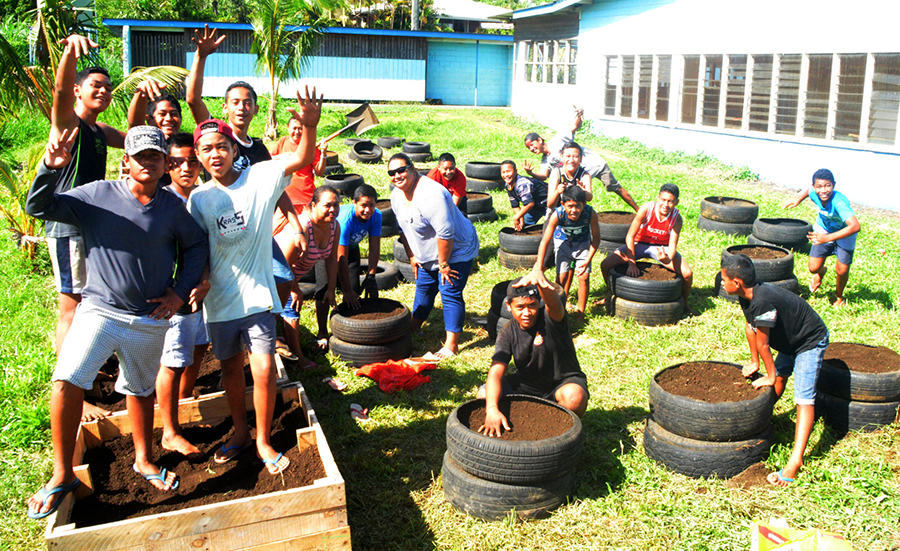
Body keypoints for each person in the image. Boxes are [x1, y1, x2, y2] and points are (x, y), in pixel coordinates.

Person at [25, 126, 209, 518]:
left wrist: (180, 291)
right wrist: (49, 167)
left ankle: (143, 459)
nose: (147, 162)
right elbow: (39, 207)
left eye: (154, 157)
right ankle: (61, 475)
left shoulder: (172, 207)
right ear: (125, 160)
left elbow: (196, 246)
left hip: (149, 318)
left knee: (140, 390)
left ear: (165, 164)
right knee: (67, 379)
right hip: (100, 311)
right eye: (139, 156)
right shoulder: (97, 196)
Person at [185, 86, 321, 476]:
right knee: (230, 370)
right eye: (207, 149)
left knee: (262, 370)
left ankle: (263, 440)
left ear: (233, 149)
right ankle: (241, 433)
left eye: (222, 147)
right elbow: (200, 249)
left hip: (259, 298)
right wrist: (203, 280)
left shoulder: (260, 177)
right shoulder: (200, 199)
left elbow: (300, 157)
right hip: (221, 304)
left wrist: (308, 125)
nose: (215, 154)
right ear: (198, 156)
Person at [46, 34, 130, 423]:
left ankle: (88, 373)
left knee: (87, 305)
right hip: (68, 228)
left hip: (90, 228)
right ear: (79, 91)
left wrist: (144, 97)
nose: (104, 91)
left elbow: (134, 138)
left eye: (108, 88)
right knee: (72, 307)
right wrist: (67, 54)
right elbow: (61, 89)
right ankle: (70, 395)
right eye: (95, 85)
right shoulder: (71, 122)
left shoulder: (99, 132)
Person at [720, 254, 829, 487]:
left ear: (736, 282)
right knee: (779, 377)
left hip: (809, 341)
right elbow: (751, 329)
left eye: (723, 279)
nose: (722, 283)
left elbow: (764, 344)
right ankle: (765, 417)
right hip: (789, 339)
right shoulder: (745, 296)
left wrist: (769, 376)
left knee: (803, 398)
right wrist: (755, 363)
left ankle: (796, 460)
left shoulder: (762, 301)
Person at [389, 153, 480, 358]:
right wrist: (413, 256)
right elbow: (403, 228)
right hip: (429, 250)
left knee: (449, 290)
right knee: (424, 286)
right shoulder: (397, 195)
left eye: (401, 170)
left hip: (456, 248)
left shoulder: (430, 194)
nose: (397, 175)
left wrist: (444, 264)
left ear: (412, 169)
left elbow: (446, 233)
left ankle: (451, 345)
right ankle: (414, 326)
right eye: (392, 173)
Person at [476, 273, 589, 437]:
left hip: (562, 381)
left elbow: (555, 304)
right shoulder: (507, 332)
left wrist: (540, 281)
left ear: (539, 304)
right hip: (528, 383)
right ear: (509, 306)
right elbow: (496, 372)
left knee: (574, 398)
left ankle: (566, 430)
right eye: (520, 307)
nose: (527, 313)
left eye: (532, 306)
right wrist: (492, 409)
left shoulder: (551, 318)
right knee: (484, 395)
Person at [155, 132, 211, 459]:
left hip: (200, 291)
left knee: (201, 345)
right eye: (177, 162)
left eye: (192, 161)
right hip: (177, 297)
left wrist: (204, 280)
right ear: (167, 166)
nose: (186, 168)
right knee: (173, 361)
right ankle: (170, 431)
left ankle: (185, 398)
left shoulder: (201, 198)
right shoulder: (164, 201)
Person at [600, 183, 697, 315]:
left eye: (670, 201)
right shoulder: (647, 209)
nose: (665, 204)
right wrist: (632, 263)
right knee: (606, 264)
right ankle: (610, 293)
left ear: (676, 202)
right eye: (663, 200)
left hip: (660, 249)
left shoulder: (676, 218)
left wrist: (667, 258)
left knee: (687, 274)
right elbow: (630, 237)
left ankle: (684, 303)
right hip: (639, 244)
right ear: (658, 198)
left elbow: (673, 245)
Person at [522, 107, 638, 211]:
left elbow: (574, 127)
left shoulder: (557, 141)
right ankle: (578, 219)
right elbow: (543, 176)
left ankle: (638, 210)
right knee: (575, 196)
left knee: (615, 188)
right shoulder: (545, 161)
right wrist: (531, 173)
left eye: (532, 144)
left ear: (540, 140)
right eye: (529, 148)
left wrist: (579, 115)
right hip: (579, 175)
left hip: (595, 164)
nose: (531, 149)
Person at [279, 185, 341, 366]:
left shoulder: (334, 226)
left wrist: (330, 289)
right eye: (327, 205)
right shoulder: (303, 228)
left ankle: (279, 339)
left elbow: (331, 259)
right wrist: (294, 289)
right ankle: (298, 358)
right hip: (273, 273)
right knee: (291, 309)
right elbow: (282, 264)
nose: (333, 210)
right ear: (313, 205)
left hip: (290, 275)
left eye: (336, 205)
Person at [783, 168, 860, 306]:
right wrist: (798, 198)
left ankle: (838, 295)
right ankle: (821, 272)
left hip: (845, 234)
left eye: (827, 186)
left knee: (842, 270)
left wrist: (828, 238)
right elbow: (808, 191)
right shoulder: (813, 192)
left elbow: (855, 226)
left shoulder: (839, 202)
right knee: (813, 268)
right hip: (823, 230)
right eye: (819, 186)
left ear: (834, 185)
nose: (823, 190)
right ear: (814, 187)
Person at [533, 185, 600, 323]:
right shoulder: (557, 214)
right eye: (570, 206)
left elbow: (596, 239)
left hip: (582, 244)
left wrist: (587, 260)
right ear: (563, 204)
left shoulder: (590, 213)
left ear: (584, 204)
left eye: (578, 206)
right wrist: (539, 267)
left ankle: (581, 314)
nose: (574, 210)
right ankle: (559, 310)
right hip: (563, 243)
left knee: (584, 277)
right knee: (561, 278)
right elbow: (544, 242)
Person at [334, 184, 382, 309]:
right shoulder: (345, 221)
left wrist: (371, 276)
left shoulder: (376, 216)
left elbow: (374, 248)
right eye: (363, 205)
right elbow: (341, 257)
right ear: (354, 203)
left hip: (352, 247)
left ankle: (351, 316)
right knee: (328, 289)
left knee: (354, 289)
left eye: (371, 205)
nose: (367, 210)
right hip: (330, 249)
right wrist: (346, 290)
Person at [270, 116, 327, 211]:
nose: (297, 132)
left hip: (305, 199)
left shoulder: (309, 145)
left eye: (300, 129)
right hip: (282, 197)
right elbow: (267, 160)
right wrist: (282, 157)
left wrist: (323, 153)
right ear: (288, 128)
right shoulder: (282, 142)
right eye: (294, 128)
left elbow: (319, 172)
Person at [545, 142, 593, 210]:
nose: (571, 160)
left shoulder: (584, 175)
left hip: (577, 211)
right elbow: (549, 204)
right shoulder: (556, 173)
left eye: (575, 156)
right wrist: (557, 191)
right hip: (557, 210)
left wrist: (584, 192)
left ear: (581, 158)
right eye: (568, 156)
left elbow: (589, 198)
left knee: (590, 212)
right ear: (562, 157)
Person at [501, 159, 547, 230]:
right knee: (523, 226)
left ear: (516, 171)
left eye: (508, 171)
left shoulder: (522, 184)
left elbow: (530, 204)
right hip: (536, 207)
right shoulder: (508, 185)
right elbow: (515, 205)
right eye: (503, 172)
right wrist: (520, 218)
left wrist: (516, 217)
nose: (506, 175)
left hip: (551, 203)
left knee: (556, 227)